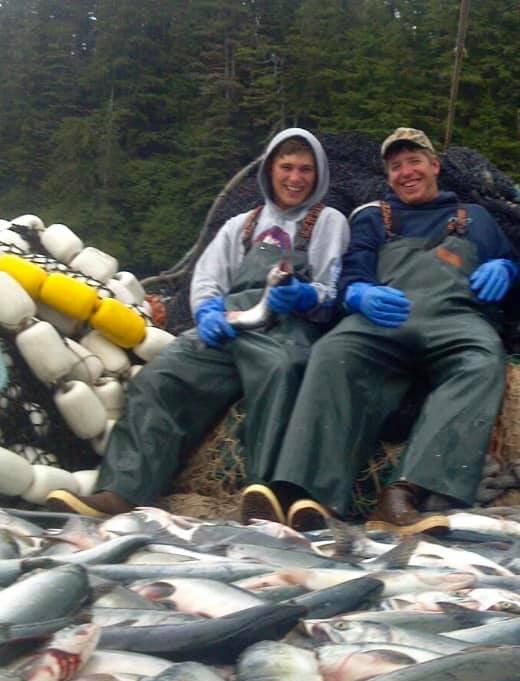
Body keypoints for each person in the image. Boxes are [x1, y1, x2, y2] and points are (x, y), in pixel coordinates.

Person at [46, 128, 350, 520]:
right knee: (157, 379)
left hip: (288, 328)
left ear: (318, 174)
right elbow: (207, 280)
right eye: (286, 167)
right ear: (270, 170)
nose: (295, 178)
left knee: (284, 371)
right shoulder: (241, 224)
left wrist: (308, 296)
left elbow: (332, 285)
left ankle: (269, 496)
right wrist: (207, 312)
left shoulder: (328, 222)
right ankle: (123, 491)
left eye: (305, 170)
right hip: (230, 325)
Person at [246, 127, 519, 533]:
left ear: (434, 166)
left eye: (414, 162)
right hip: (382, 322)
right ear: (387, 175)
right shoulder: (374, 216)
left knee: (482, 361)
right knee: (332, 352)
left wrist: (509, 269)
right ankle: (304, 494)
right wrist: (358, 293)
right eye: (395, 166)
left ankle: (405, 495)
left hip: (456, 322)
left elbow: (514, 285)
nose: (406, 172)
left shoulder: (474, 217)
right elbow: (351, 271)